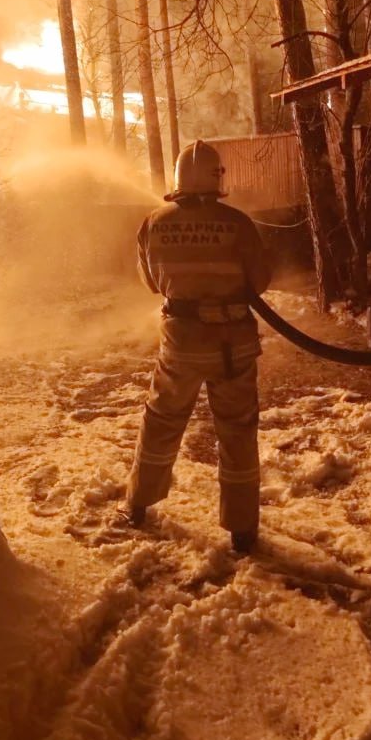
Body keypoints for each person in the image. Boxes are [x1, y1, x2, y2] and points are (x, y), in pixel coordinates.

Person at [118, 140, 271, 552]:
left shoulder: (154, 221)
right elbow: (259, 282)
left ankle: (137, 504)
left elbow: (151, 282)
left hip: (181, 345)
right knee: (237, 431)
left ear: (178, 178)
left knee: (161, 421)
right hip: (232, 346)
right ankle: (242, 529)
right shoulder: (237, 223)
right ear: (218, 178)